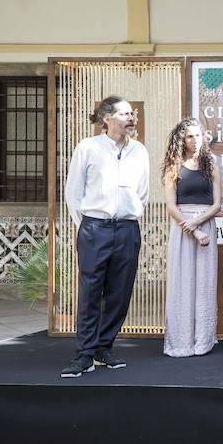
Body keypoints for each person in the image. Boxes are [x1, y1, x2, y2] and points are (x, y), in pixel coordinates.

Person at [61, 95, 149, 377]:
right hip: (94, 227)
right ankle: (84, 354)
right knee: (90, 292)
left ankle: (103, 347)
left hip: (127, 229)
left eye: (131, 113)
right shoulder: (88, 148)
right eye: (124, 114)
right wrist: (86, 226)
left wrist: (130, 216)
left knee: (120, 292)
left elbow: (143, 193)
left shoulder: (139, 151)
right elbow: (73, 192)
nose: (130, 118)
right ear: (107, 119)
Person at [161, 117, 222, 357]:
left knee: (205, 282)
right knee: (182, 282)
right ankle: (181, 342)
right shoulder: (173, 166)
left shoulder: (211, 164)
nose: (194, 140)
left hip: (205, 224)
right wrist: (193, 229)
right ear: (182, 140)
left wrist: (199, 222)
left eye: (198, 135)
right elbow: (171, 206)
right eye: (189, 136)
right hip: (183, 227)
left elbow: (217, 204)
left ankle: (203, 341)